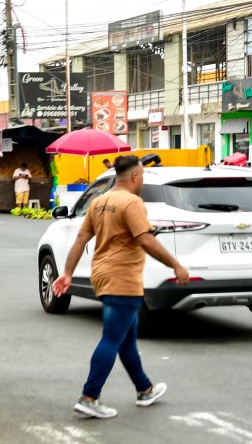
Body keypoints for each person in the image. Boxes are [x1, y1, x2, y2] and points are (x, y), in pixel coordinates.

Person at [52, 155, 187, 419]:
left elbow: (81, 238)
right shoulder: (132, 202)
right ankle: (90, 396)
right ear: (135, 177)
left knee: (125, 338)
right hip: (123, 278)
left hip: (102, 274)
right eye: (143, 177)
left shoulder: (99, 201)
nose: (142, 180)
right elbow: (146, 241)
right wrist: (176, 265)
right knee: (113, 338)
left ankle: (144, 389)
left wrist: (67, 273)